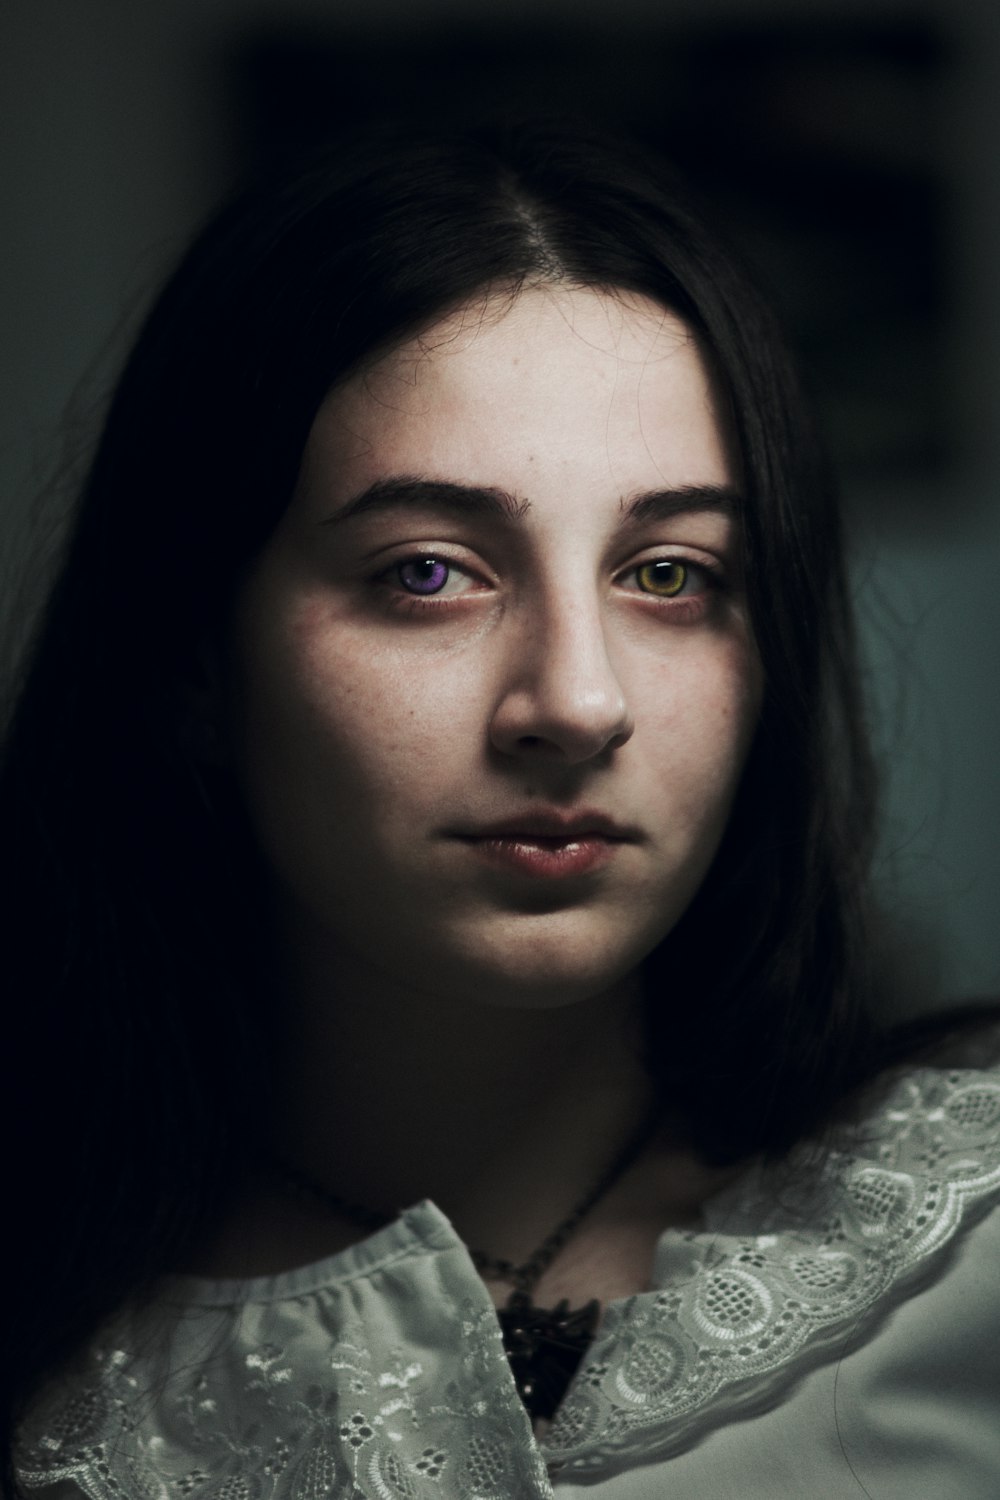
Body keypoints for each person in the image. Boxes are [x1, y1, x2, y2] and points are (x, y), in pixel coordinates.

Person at [2, 114, 998, 1500]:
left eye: (668, 576)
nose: (577, 703)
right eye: (428, 573)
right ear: (194, 663)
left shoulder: (970, 1259)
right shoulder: (49, 1366)